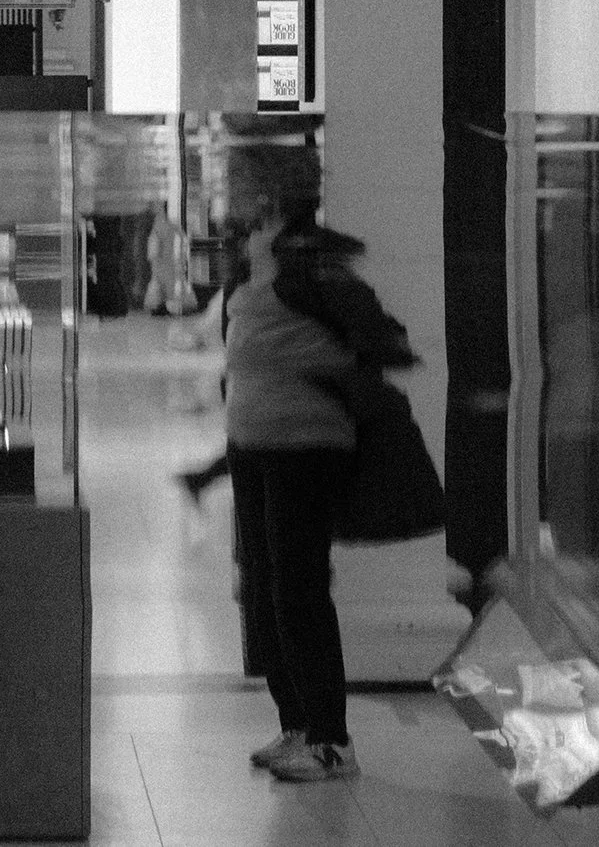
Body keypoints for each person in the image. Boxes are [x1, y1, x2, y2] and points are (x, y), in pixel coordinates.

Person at [226, 199, 415, 784]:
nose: (245, 228)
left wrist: (323, 364)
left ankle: (331, 741)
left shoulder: (311, 269)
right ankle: (298, 725)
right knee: (262, 588)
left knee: (297, 591)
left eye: (256, 217)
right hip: (254, 444)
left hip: (304, 447)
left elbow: (389, 343)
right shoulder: (257, 276)